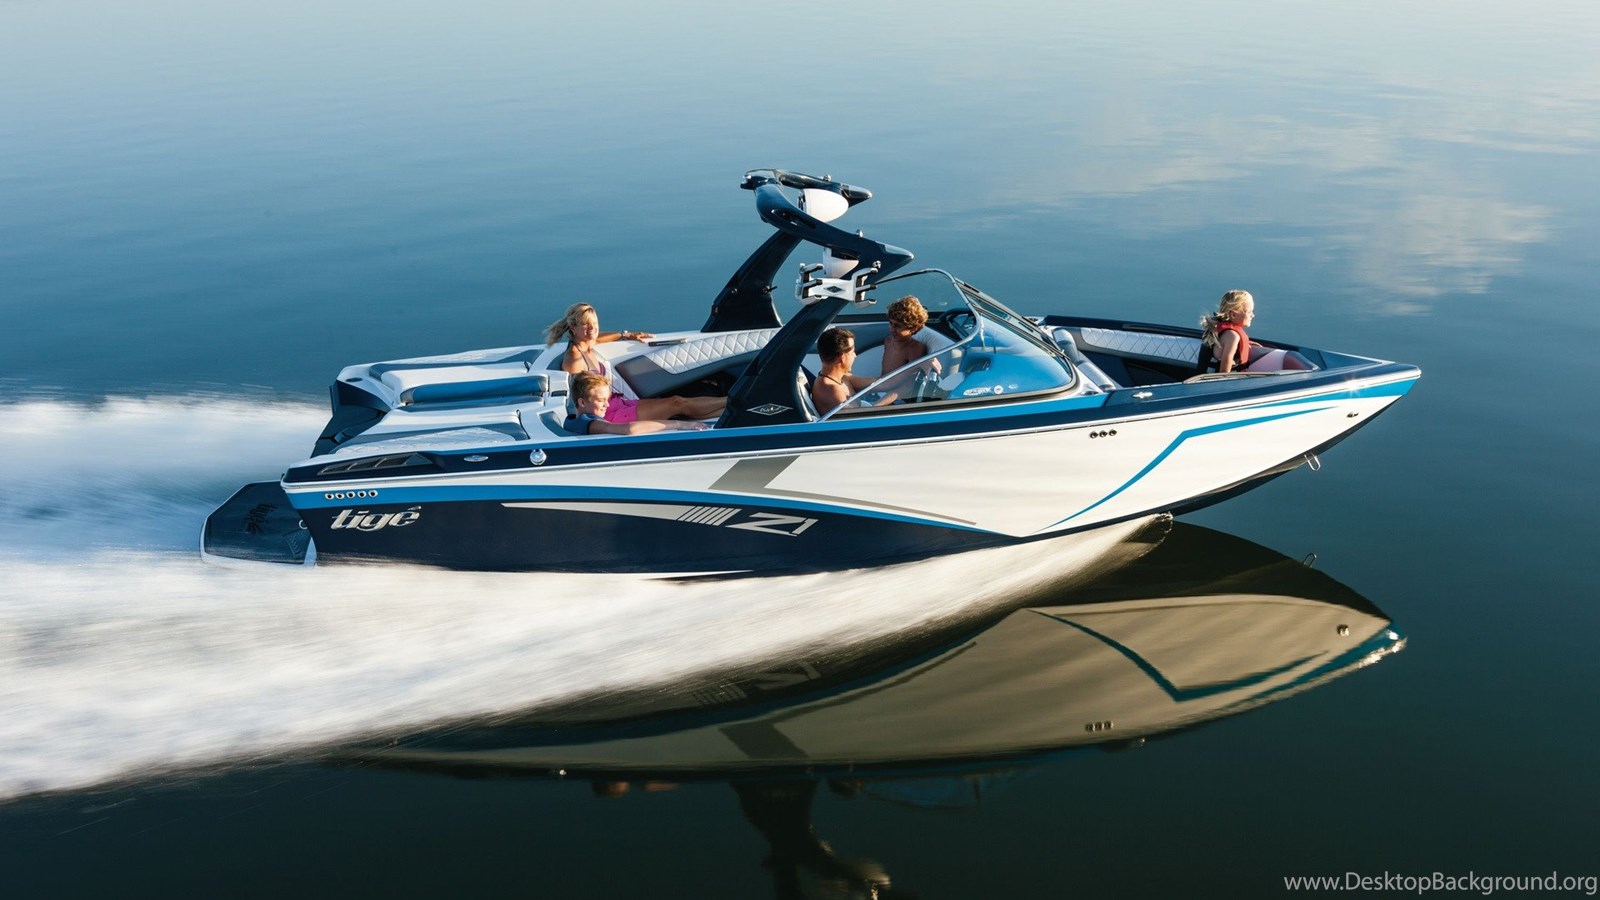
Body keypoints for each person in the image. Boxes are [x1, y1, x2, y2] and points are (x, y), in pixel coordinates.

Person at [548, 302, 727, 423]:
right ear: (573, 328)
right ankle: (730, 401)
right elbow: (579, 399)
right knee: (676, 403)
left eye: (594, 323)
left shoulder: (585, 344)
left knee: (678, 406)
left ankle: (732, 408)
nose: (592, 328)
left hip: (618, 403)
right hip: (610, 414)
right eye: (586, 325)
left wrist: (625, 335)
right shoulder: (574, 358)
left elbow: (597, 337)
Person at [1200, 290, 1312, 373]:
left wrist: (1247, 343)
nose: (1253, 315)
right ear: (1233, 314)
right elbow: (1225, 368)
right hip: (1216, 386)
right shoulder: (1232, 336)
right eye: (1249, 312)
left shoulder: (1218, 330)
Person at [564, 374, 709, 436]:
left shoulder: (573, 421)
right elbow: (630, 429)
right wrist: (680, 424)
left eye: (607, 399)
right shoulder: (590, 424)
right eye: (601, 400)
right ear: (582, 402)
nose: (607, 405)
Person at [811, 328, 897, 415]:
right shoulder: (831, 391)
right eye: (852, 352)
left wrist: (905, 375)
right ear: (842, 358)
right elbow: (857, 418)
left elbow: (882, 384)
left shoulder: (841, 377)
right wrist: (882, 403)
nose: (855, 356)